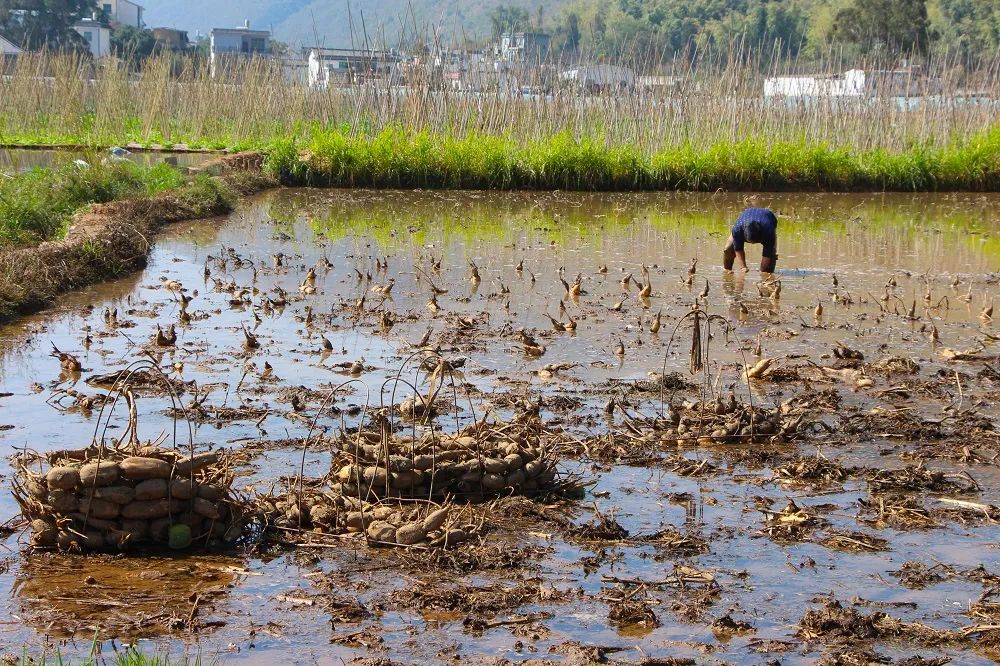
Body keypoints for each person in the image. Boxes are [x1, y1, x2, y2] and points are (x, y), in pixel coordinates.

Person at [723, 207, 778, 274]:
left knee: (771, 255)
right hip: (744, 221)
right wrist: (743, 267)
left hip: (767, 218)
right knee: (728, 248)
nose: (752, 244)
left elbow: (767, 255)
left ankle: (768, 274)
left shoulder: (768, 231)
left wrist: (762, 272)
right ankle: (727, 270)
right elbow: (738, 249)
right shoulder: (737, 229)